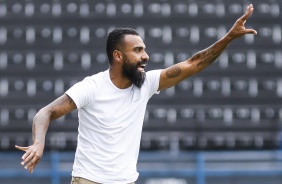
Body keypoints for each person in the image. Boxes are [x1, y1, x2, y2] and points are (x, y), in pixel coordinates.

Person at [15, 4, 257, 184]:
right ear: (118, 56)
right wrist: (38, 142)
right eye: (138, 50)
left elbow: (193, 64)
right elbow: (45, 113)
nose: (146, 56)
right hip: (88, 181)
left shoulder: (146, 83)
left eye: (145, 49)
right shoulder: (91, 87)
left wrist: (229, 38)